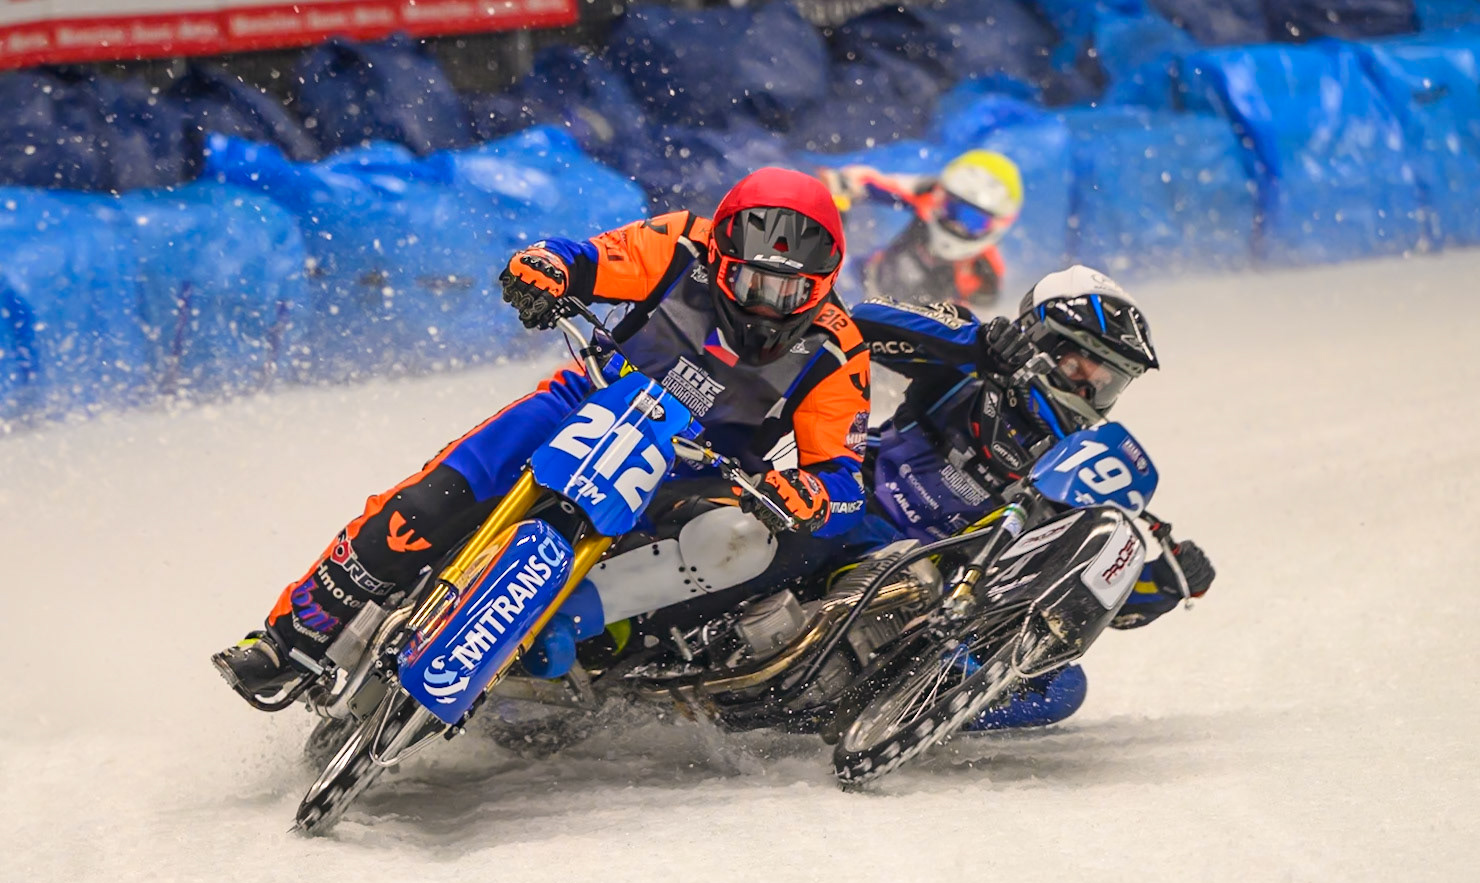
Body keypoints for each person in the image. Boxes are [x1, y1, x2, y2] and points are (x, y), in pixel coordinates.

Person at [212, 167, 871, 707]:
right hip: (583, 399)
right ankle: (288, 638)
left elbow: (844, 478)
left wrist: (811, 492)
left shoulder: (839, 350)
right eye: (752, 281)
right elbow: (581, 258)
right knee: (422, 509)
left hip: (690, 473)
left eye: (791, 291)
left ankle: (581, 637)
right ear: (721, 257)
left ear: (825, 284)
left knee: (737, 541)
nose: (766, 305)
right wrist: (543, 269)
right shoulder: (680, 244)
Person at [851, 265, 1216, 729]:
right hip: (857, 511)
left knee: (1061, 685)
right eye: (1083, 366)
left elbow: (1083, 594)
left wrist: (1161, 581)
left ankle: (906, 702)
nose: (1091, 387)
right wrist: (974, 343)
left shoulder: (1080, 465)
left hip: (934, 597)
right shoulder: (970, 358)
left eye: (1109, 381)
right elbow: (863, 320)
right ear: (1042, 337)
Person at [818, 149, 1023, 308]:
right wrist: (835, 193)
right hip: (863, 277)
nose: (957, 225)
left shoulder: (985, 273)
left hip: (906, 333)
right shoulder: (926, 193)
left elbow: (968, 329)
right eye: (953, 209)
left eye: (974, 221)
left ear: (998, 225)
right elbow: (861, 181)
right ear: (941, 196)